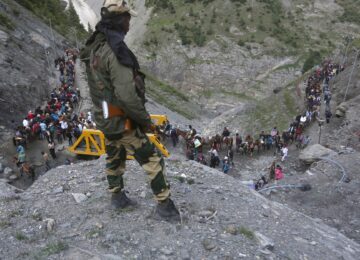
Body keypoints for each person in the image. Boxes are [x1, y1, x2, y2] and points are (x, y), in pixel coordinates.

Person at [80, 0, 179, 221]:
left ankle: (117, 197)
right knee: (153, 159)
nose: (130, 22)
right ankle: (165, 207)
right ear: (119, 20)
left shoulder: (95, 45)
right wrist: (144, 121)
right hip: (121, 121)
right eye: (127, 18)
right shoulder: (116, 53)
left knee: (115, 155)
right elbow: (127, 96)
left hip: (105, 117)